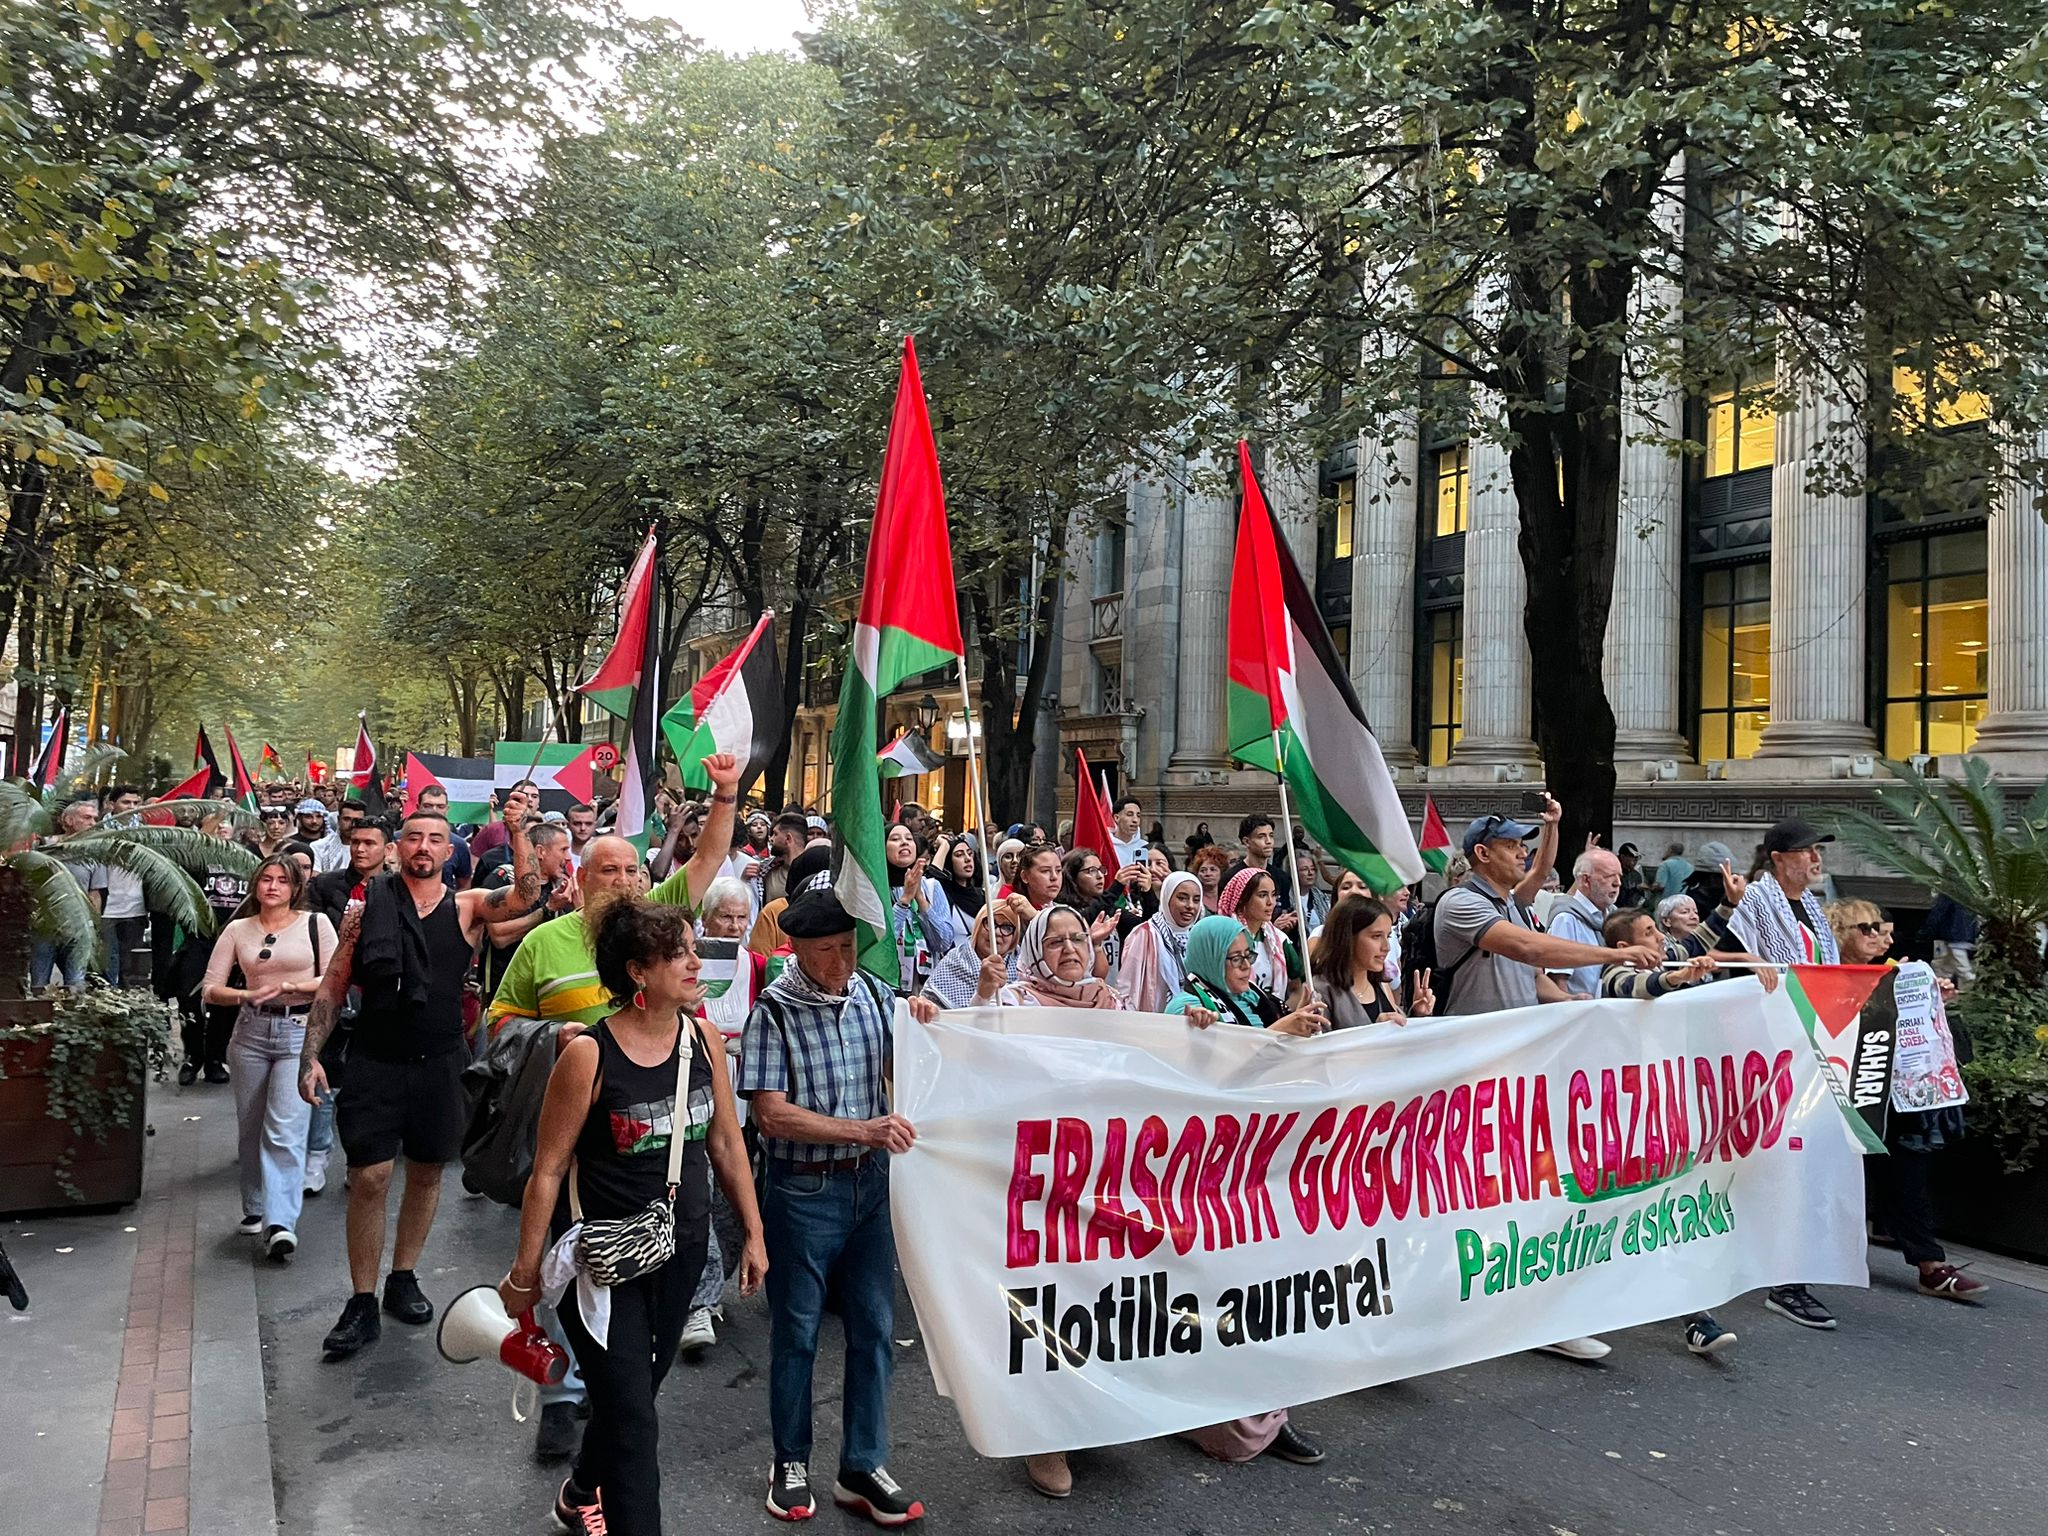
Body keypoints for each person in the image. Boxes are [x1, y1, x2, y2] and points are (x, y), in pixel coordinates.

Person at [498, 899, 767, 1536]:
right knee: (636, 1420)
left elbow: (727, 1144)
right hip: (603, 1264)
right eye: (681, 954)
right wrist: (524, 1272)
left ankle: (581, 1489)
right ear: (638, 972)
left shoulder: (703, 1039)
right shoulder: (588, 1056)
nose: (699, 963)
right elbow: (547, 1170)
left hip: (683, 1249)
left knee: (633, 1400)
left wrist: (754, 1233)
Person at [297, 806, 548, 1361]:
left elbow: (526, 897)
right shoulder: (366, 908)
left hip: (441, 1062)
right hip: (374, 1059)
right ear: (397, 848)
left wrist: (518, 832)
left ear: (449, 851)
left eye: (436, 839)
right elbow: (336, 983)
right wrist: (309, 1055)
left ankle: (403, 1275)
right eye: (414, 838)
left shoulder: (467, 907)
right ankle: (362, 1299)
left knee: (428, 1171)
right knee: (370, 1177)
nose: (424, 848)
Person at [1432, 808, 1661, 1364]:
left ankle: (1531, 1309)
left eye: (1527, 845)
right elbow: (1532, 952)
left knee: (1525, 1186)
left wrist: (1572, 1004)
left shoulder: (1508, 900)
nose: (1524, 854)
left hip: (1517, 1067)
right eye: (1514, 845)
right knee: (1476, 1190)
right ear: (1483, 853)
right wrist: (1616, 953)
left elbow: (1533, 973)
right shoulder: (1461, 903)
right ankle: (1461, 1301)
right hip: (1472, 1071)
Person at [738, 887, 924, 1526]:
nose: (841, 961)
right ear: (797, 949)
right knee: (798, 1331)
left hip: (870, 1188)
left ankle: (861, 1464)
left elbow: (915, 1058)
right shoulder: (775, 1010)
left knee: (874, 1328)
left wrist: (931, 1017)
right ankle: (790, 1462)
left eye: (848, 947)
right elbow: (769, 1114)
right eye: (827, 951)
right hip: (802, 1191)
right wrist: (862, 1131)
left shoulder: (875, 995)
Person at [1595, 908, 1753, 1356]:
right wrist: (1681, 978)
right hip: (1621, 1118)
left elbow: (1697, 942)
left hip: (1666, 1111)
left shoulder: (1667, 959)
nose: (1660, 940)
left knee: (1667, 1206)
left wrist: (1727, 904)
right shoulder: (1614, 975)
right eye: (1648, 933)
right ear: (1624, 947)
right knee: (1620, 1209)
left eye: (1658, 931)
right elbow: (1641, 988)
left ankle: (1695, 1315)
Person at [1715, 817, 1846, 1332]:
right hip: (1766, 1056)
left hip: (1813, 1051)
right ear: (1778, 859)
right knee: (1778, 1161)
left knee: (1794, 1162)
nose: (1816, 860)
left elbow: (1825, 972)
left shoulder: (1811, 908)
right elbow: (1715, 959)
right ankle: (1784, 1280)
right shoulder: (1755, 903)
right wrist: (1749, 962)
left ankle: (1779, 1265)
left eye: (1818, 852)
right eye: (1806, 852)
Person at [1827, 901, 1988, 1304]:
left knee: (1908, 1166)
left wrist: (1932, 999)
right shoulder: (1829, 977)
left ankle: (1929, 1263)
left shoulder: (1893, 973)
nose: (1883, 937)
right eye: (1870, 928)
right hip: (1841, 1095)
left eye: (1885, 928)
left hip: (1892, 1094)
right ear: (1844, 932)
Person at [203, 855, 338, 1263]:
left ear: (295, 887)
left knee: (285, 1128)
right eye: (266, 879)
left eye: (282, 880)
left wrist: (294, 985)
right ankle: (256, 1206)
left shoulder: (317, 924)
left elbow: (334, 978)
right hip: (250, 1033)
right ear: (255, 885)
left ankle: (281, 1223)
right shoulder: (238, 929)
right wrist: (244, 995)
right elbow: (210, 988)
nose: (273, 887)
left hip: (299, 1031)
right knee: (251, 1126)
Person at [1311, 897, 1435, 1028]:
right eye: (1376, 936)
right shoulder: (1320, 990)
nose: (1386, 947)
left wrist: (1417, 1015)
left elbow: (1398, 1039)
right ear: (1348, 937)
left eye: (1387, 936)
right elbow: (1319, 1045)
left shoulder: (1381, 984)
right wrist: (1373, 1032)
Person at [32, 798, 105, 989]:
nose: (92, 823)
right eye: (86, 817)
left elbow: (95, 893)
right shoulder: (45, 847)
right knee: (39, 982)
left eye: (95, 818)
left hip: (77, 927)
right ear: (68, 820)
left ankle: (73, 1015)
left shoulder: (95, 852)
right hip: (45, 926)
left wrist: (92, 925)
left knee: (76, 983)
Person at [995, 905, 1126, 1010]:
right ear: (1035, 952)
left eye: (1078, 939)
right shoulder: (1015, 1002)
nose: (1069, 948)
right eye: (1055, 942)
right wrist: (984, 993)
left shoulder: (1108, 999)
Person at [1217, 866, 1304, 1010]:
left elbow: (1298, 987)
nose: (1271, 902)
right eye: (1262, 895)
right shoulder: (1222, 940)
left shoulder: (1279, 941)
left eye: (1274, 894)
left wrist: (1280, 1013)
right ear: (1242, 899)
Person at [884, 823, 955, 995]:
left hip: (927, 990)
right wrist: (904, 900)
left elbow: (943, 942)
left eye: (909, 838)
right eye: (895, 839)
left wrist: (920, 899)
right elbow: (883, 944)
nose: (904, 843)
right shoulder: (878, 889)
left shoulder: (931, 886)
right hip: (890, 989)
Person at [1118, 871, 1203, 1011]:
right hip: (1152, 1020)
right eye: (1182, 898)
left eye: (1196, 900)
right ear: (1167, 898)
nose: (1190, 906)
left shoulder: (1199, 937)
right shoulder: (1144, 933)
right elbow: (1129, 987)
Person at [918, 899, 1023, 1011]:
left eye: (1007, 928)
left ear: (1014, 937)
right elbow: (930, 1009)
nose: (996, 932)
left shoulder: (1023, 967)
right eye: (990, 923)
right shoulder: (955, 960)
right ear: (977, 925)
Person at [1545, 848, 1623, 998]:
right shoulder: (1566, 918)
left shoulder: (1614, 916)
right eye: (1609, 876)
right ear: (1586, 880)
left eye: (1619, 876)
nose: (1617, 883)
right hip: (1581, 1010)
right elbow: (1558, 977)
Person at [99, 784, 147, 987]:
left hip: (135, 907)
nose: (131, 807)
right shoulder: (99, 830)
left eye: (136, 803)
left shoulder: (145, 833)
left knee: (130, 963)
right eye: (126, 802)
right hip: (105, 908)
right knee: (107, 962)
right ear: (111, 805)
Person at [415, 784, 475, 889]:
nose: (434, 810)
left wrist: (451, 904)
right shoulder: (399, 839)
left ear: (447, 809)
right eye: (428, 806)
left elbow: (464, 884)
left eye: (440, 806)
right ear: (418, 807)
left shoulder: (459, 845)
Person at [929, 833, 987, 940]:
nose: (967, 859)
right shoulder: (943, 895)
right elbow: (931, 881)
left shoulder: (983, 896)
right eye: (959, 855)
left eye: (970, 854)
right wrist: (944, 847)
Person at [1921, 894, 1980, 990]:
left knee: (1950, 969)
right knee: (1945, 967)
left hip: (1949, 935)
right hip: (1962, 937)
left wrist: (1927, 930)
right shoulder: (1971, 895)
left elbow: (1939, 912)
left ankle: (1937, 994)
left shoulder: (1948, 893)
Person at [1188, 843, 1233, 915]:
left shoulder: (1227, 899)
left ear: (1221, 872)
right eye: (1203, 870)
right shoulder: (1194, 900)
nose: (1208, 874)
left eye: (1213, 869)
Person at [1109, 793, 1148, 871]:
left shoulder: (1145, 847)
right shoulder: (1106, 847)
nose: (1135, 820)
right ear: (1116, 818)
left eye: (1138, 816)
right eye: (1130, 814)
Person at [1615, 842, 1647, 910]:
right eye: (1632, 857)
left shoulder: (1636, 875)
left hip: (1632, 911)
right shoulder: (1614, 873)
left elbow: (1641, 897)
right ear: (1622, 857)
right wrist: (1635, 889)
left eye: (1637, 858)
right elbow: (1618, 897)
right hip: (1617, 911)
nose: (1635, 861)